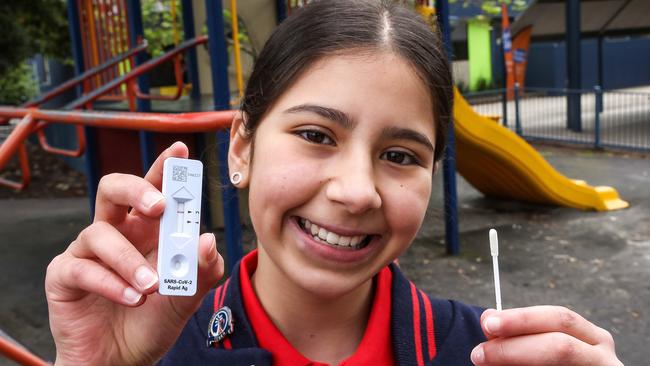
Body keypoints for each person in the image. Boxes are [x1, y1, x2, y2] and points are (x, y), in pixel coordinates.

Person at [45, 1, 622, 365]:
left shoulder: (487, 354)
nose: (356, 191)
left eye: (399, 154)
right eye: (317, 135)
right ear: (242, 146)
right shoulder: (164, 349)